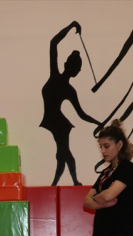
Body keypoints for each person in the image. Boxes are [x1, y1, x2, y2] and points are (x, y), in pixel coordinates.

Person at [40, 22, 101, 186]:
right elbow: (53, 43)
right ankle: (68, 182)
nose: (78, 71)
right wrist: (71, 26)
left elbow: (81, 114)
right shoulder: (58, 79)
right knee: (62, 154)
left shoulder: (68, 89)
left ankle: (66, 182)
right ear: (70, 67)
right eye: (77, 68)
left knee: (63, 154)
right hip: (55, 122)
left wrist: (98, 123)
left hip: (59, 124)